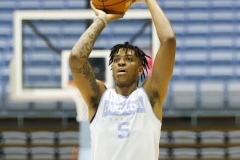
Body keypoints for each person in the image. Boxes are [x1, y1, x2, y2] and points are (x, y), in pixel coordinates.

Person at [69, 0, 176, 159]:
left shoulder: (150, 95)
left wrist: (149, 0)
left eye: (128, 58)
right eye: (117, 59)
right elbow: (76, 58)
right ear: (111, 69)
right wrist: (101, 20)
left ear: (140, 69)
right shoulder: (99, 98)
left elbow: (168, 40)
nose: (121, 61)